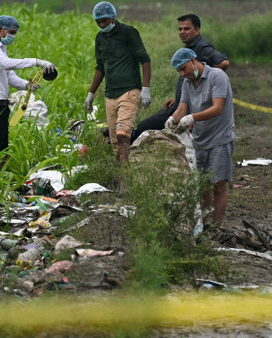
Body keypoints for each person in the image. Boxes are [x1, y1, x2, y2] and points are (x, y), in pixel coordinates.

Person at [165, 48, 234, 228]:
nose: (183, 74)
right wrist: (173, 120)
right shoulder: (187, 82)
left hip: (220, 138)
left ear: (193, 60)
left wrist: (193, 118)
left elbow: (218, 108)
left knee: (218, 185)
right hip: (199, 140)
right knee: (203, 186)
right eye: (179, 71)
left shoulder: (217, 76)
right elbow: (182, 108)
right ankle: (203, 225)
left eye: (184, 68)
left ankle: (216, 227)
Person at [133, 14, 229, 142]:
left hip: (194, 109)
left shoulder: (202, 47)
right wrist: (182, 97)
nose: (182, 32)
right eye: (180, 29)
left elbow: (223, 63)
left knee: (146, 126)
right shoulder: (188, 48)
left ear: (197, 30)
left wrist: (204, 89)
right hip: (181, 104)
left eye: (186, 29)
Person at [84, 1, 151, 164]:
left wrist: (146, 88)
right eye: (98, 22)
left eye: (104, 21)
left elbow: (145, 60)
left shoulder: (128, 33)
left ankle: (125, 178)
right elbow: (101, 67)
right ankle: (125, 173)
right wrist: (91, 93)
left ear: (113, 18)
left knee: (123, 134)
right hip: (110, 94)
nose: (101, 25)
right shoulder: (100, 38)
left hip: (129, 90)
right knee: (115, 142)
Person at [0, 15, 57, 155]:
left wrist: (27, 85)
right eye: (11, 33)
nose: (13, 37)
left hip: (1, 105)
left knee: (2, 147)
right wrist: (36, 61)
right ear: (1, 29)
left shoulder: (1, 49)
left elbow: (9, 75)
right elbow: (6, 64)